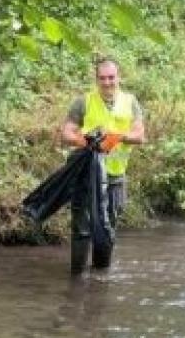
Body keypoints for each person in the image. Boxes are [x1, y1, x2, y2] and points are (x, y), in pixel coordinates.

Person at [59, 57, 146, 273]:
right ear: (96, 79)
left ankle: (101, 276)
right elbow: (66, 133)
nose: (107, 82)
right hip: (85, 175)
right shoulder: (83, 102)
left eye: (111, 77)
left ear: (119, 77)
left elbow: (139, 135)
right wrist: (86, 141)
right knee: (81, 228)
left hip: (115, 176)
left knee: (107, 229)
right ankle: (77, 275)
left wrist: (118, 137)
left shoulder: (130, 102)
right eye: (102, 78)